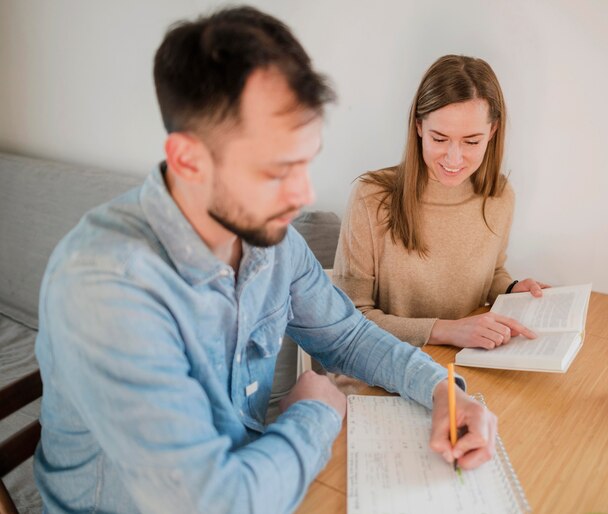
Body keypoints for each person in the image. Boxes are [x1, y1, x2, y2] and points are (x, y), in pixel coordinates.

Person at [34, 10, 496, 514]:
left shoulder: (267, 239)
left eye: (306, 160)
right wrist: (314, 413)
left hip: (258, 470)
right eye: (277, 170)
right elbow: (217, 505)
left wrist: (443, 393)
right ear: (189, 159)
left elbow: (347, 335)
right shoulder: (106, 287)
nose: (302, 194)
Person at [333, 55, 548, 350]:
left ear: (492, 132)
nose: (454, 159)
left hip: (463, 364)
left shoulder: (499, 195)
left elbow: (491, 273)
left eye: (471, 142)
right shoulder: (371, 198)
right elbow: (348, 320)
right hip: (382, 371)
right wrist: (446, 331)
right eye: (439, 138)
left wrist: (512, 289)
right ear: (419, 126)